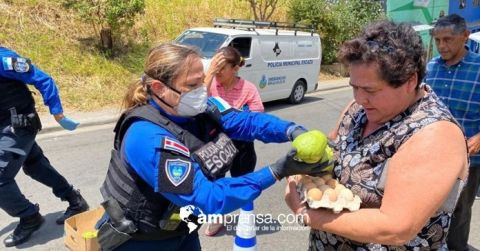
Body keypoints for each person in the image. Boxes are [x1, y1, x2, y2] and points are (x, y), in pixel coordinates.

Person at [96, 43, 327, 250]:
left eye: (203, 80)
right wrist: (275, 171)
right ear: (158, 88)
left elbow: (248, 121)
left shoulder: (200, 108)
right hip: (143, 241)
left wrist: (292, 131)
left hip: (184, 229)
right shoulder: (147, 136)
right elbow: (208, 198)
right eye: (192, 85)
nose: (202, 91)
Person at [284, 20, 469, 250]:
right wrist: (303, 169)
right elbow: (333, 147)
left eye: (371, 90)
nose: (360, 99)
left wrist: (306, 213)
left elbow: (395, 227)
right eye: (354, 87)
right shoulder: (359, 109)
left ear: (410, 81)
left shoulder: (434, 134)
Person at [0, 46, 89, 247]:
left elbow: (43, 79)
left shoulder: (2, 60)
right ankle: (74, 199)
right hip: (6, 128)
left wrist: (58, 113)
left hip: (18, 127)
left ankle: (30, 216)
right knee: (35, 165)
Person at [424, 14, 480, 251]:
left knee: (458, 213)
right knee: (427, 207)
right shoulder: (430, 68)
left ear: (465, 36)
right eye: (437, 40)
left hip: (468, 160)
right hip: (430, 156)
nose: (442, 46)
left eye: (448, 39)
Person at [203, 46, 265, 236]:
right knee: (216, 184)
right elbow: (197, 99)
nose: (217, 71)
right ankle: (218, 217)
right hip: (216, 144)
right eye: (215, 66)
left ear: (235, 68)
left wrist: (237, 115)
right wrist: (210, 73)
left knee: (243, 184)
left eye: (222, 67)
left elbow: (258, 116)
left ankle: (246, 218)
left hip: (242, 145)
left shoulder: (248, 88)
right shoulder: (212, 83)